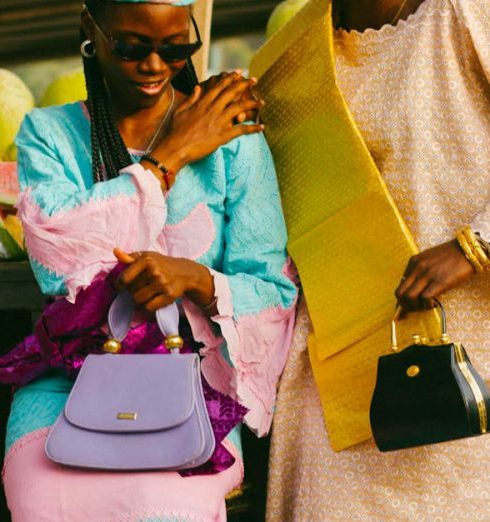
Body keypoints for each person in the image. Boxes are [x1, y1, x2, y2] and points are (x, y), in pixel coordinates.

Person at [0, 1, 298, 520]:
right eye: (132, 47)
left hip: (193, 391)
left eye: (174, 48)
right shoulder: (48, 134)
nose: (156, 67)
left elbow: (273, 292)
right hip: (68, 385)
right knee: (45, 495)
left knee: (160, 505)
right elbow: (58, 263)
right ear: (91, 31)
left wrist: (197, 279)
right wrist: (171, 157)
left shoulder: (236, 145)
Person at [267, 0, 490, 520]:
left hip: (471, 363)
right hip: (341, 378)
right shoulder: (291, 54)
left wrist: (475, 245)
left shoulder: (465, 13)